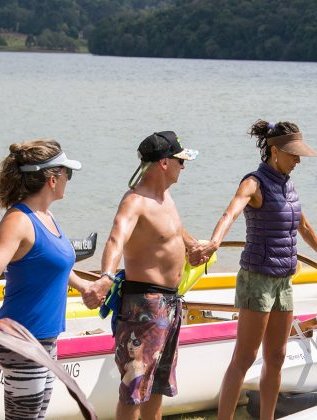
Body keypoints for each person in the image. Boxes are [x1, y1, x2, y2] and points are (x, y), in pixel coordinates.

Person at [190, 120, 317, 420]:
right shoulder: (254, 182)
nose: (298, 161)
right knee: (245, 357)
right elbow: (231, 211)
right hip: (257, 278)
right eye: (293, 155)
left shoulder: (288, 184)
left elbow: (303, 225)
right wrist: (214, 242)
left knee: (278, 357)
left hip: (284, 281)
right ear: (275, 150)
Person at [0, 139, 93, 419]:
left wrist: (84, 286)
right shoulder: (19, 220)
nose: (68, 180)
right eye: (67, 174)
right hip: (21, 335)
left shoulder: (46, 216)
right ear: (52, 179)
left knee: (36, 415)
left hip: (46, 335)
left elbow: (52, 263)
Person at [81, 131, 200, 420]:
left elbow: (173, 231)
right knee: (134, 389)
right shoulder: (136, 201)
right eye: (180, 161)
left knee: (157, 387)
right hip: (145, 306)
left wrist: (192, 246)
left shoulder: (166, 197)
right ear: (163, 163)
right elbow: (115, 240)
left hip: (171, 304)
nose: (183, 167)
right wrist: (106, 276)